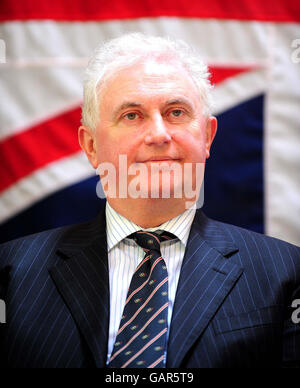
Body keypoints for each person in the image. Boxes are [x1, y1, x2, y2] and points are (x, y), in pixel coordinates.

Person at [0, 33, 299, 368]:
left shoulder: (287, 273)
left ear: (208, 137)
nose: (159, 134)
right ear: (91, 146)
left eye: (176, 112)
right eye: (132, 115)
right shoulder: (11, 274)